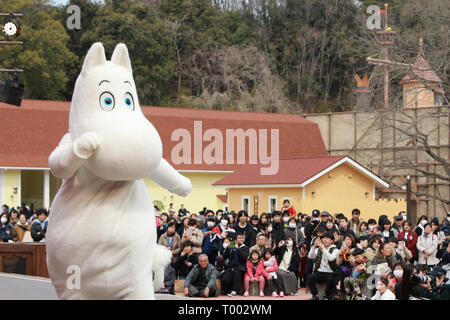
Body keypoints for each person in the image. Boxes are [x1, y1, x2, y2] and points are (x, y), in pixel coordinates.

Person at [307, 232, 339, 300]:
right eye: (323, 238)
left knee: (330, 280)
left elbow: (331, 258)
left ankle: (327, 296)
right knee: (310, 278)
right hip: (319, 272)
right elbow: (310, 256)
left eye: (327, 238)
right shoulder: (318, 249)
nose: (324, 240)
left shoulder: (335, 250)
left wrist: (323, 248)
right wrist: (314, 247)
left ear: (331, 241)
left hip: (330, 272)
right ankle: (315, 295)